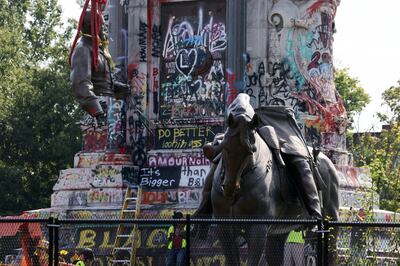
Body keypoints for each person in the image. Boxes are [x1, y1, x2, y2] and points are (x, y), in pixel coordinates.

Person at [195, 94, 322, 221]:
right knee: (217, 167)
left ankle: (315, 217)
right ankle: (200, 219)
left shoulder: (280, 119)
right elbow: (241, 100)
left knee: (299, 163)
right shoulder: (240, 115)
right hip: (246, 128)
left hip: (278, 133)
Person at [69, 6, 130, 125]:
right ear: (92, 27)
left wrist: (118, 87)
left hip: (109, 108)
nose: (105, 29)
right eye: (102, 26)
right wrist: (97, 111)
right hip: (98, 112)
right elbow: (80, 83)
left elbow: (102, 82)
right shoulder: (83, 49)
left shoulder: (98, 49)